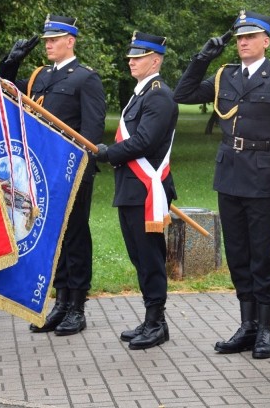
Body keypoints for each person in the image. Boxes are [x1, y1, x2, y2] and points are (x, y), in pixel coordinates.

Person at [173, 10, 270, 360]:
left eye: (250, 36)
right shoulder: (224, 76)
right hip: (230, 175)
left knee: (262, 256)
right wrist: (203, 58)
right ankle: (246, 325)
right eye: (239, 38)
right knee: (238, 255)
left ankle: (264, 328)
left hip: (264, 178)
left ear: (266, 41)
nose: (243, 42)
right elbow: (182, 93)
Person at [0, 14, 106, 335]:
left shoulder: (86, 78)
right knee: (53, 238)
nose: (47, 44)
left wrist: (80, 167)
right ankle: (60, 302)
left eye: (54, 39)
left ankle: (77, 306)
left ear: (70, 41)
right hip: (42, 171)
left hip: (71, 172)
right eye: (45, 40)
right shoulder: (40, 75)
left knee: (74, 237)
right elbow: (7, 92)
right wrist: (9, 63)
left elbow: (92, 130)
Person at [95, 32, 178, 350]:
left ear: (155, 60)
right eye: (131, 55)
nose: (131, 60)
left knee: (150, 258)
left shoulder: (158, 95)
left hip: (147, 189)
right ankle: (150, 318)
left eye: (139, 56)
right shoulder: (141, 93)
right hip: (131, 187)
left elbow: (144, 141)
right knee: (139, 257)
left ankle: (157, 323)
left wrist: (106, 153)